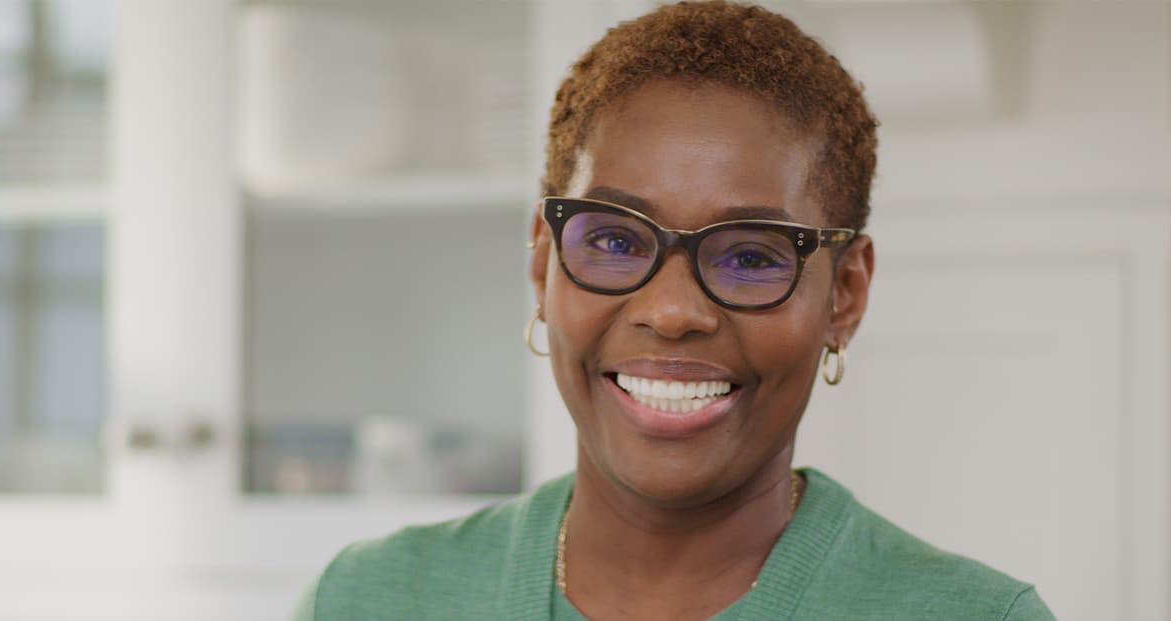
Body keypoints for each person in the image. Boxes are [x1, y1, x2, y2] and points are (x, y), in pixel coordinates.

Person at [290, 2, 1054, 619]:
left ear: (844, 295)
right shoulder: (367, 599)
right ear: (541, 262)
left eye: (752, 255)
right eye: (616, 240)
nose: (673, 309)